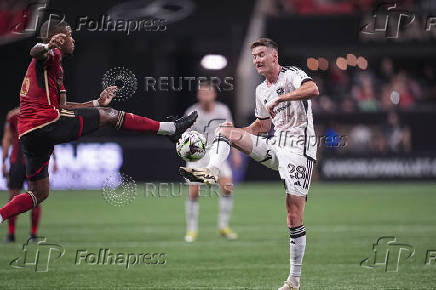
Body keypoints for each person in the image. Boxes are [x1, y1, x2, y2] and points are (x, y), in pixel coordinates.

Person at [0, 18, 197, 225]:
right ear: (59, 37)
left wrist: (96, 102)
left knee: (39, 193)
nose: (73, 40)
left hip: (30, 135)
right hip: (45, 123)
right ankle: (171, 129)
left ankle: (1, 215)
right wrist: (48, 45)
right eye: (70, 35)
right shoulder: (50, 54)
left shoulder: (55, 67)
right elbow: (36, 52)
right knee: (110, 114)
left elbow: (65, 108)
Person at [180, 38, 319, 290]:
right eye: (254, 56)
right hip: (276, 146)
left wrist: (281, 99)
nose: (257, 60)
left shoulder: (292, 75)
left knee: (293, 216)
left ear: (274, 56)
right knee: (225, 129)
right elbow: (262, 126)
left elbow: (313, 90)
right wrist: (236, 135)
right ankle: (211, 170)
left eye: (261, 55)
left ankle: (293, 281)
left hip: (299, 150)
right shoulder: (260, 90)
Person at [183, 83, 242, 242]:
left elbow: (230, 131)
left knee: (227, 188)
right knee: (194, 192)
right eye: (202, 93)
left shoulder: (223, 110)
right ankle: (192, 230)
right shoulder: (192, 112)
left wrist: (235, 153)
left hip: (217, 153)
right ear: (198, 96)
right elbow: (184, 137)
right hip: (197, 155)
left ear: (214, 95)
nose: (206, 96)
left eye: (209, 93)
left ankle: (223, 226)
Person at [2, 107, 58, 242]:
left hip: (28, 162)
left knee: (34, 197)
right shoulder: (14, 116)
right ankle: (12, 234)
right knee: (17, 197)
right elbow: (8, 137)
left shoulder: (39, 114)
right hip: (20, 162)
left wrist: (55, 159)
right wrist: (3, 161)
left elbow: (48, 138)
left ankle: (31, 234)